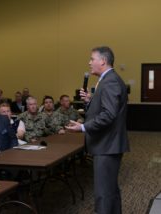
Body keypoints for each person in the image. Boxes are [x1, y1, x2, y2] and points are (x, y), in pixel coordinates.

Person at [66, 46, 130, 214]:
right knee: (110, 190)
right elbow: (104, 109)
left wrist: (82, 127)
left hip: (107, 145)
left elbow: (109, 115)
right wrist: (90, 101)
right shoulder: (108, 80)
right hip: (108, 143)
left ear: (103, 61)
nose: (89, 62)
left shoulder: (110, 81)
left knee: (104, 193)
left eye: (92, 59)